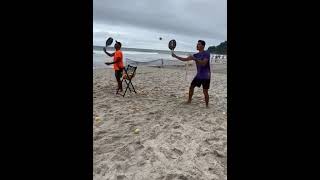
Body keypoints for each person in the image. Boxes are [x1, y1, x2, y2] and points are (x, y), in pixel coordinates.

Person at [171, 40, 211, 107]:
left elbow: (204, 63)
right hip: (198, 75)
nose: (197, 45)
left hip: (206, 75)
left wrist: (195, 59)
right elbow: (184, 59)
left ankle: (207, 105)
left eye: (199, 44)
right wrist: (175, 56)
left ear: (203, 46)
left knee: (205, 91)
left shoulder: (206, 53)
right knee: (191, 87)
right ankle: (189, 100)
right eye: (197, 44)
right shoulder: (196, 55)